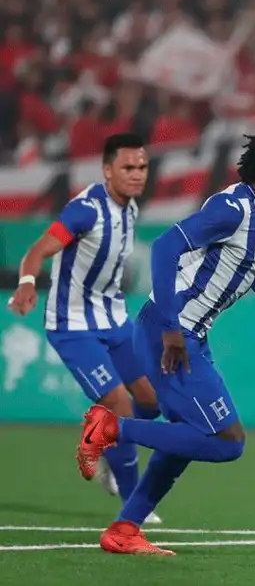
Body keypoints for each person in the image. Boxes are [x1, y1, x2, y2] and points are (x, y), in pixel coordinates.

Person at [74, 126, 255, 555]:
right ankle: (111, 427)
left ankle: (124, 529)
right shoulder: (233, 208)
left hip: (185, 336)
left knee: (189, 437)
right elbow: (165, 247)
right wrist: (171, 328)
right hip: (169, 336)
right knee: (226, 442)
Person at [7, 133, 163, 524]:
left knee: (152, 401)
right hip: (72, 325)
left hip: (114, 319)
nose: (136, 174)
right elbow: (38, 250)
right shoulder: (86, 211)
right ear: (107, 170)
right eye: (128, 167)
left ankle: (110, 451)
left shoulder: (129, 209)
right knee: (120, 403)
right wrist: (28, 283)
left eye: (142, 167)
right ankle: (134, 504)